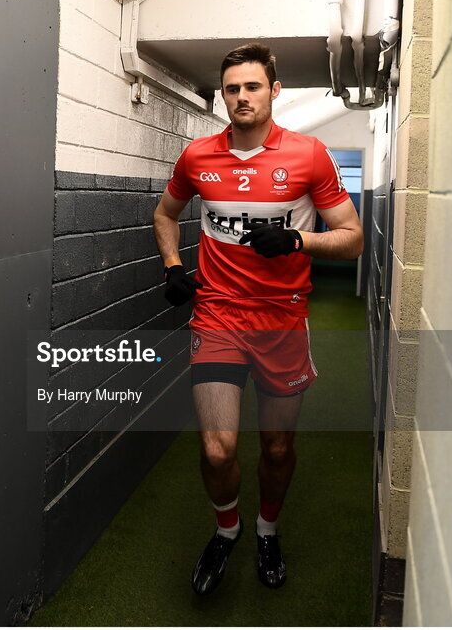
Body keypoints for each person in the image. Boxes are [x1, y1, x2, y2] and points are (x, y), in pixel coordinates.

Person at [152, 43, 363, 596]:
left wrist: (298, 238)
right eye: (232, 89)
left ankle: (267, 530)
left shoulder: (309, 155)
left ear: (274, 91)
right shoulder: (198, 156)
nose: (241, 97)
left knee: (275, 447)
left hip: (282, 318)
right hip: (217, 313)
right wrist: (174, 267)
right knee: (217, 448)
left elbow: (354, 238)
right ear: (222, 95)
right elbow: (165, 213)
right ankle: (228, 530)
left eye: (252, 87)